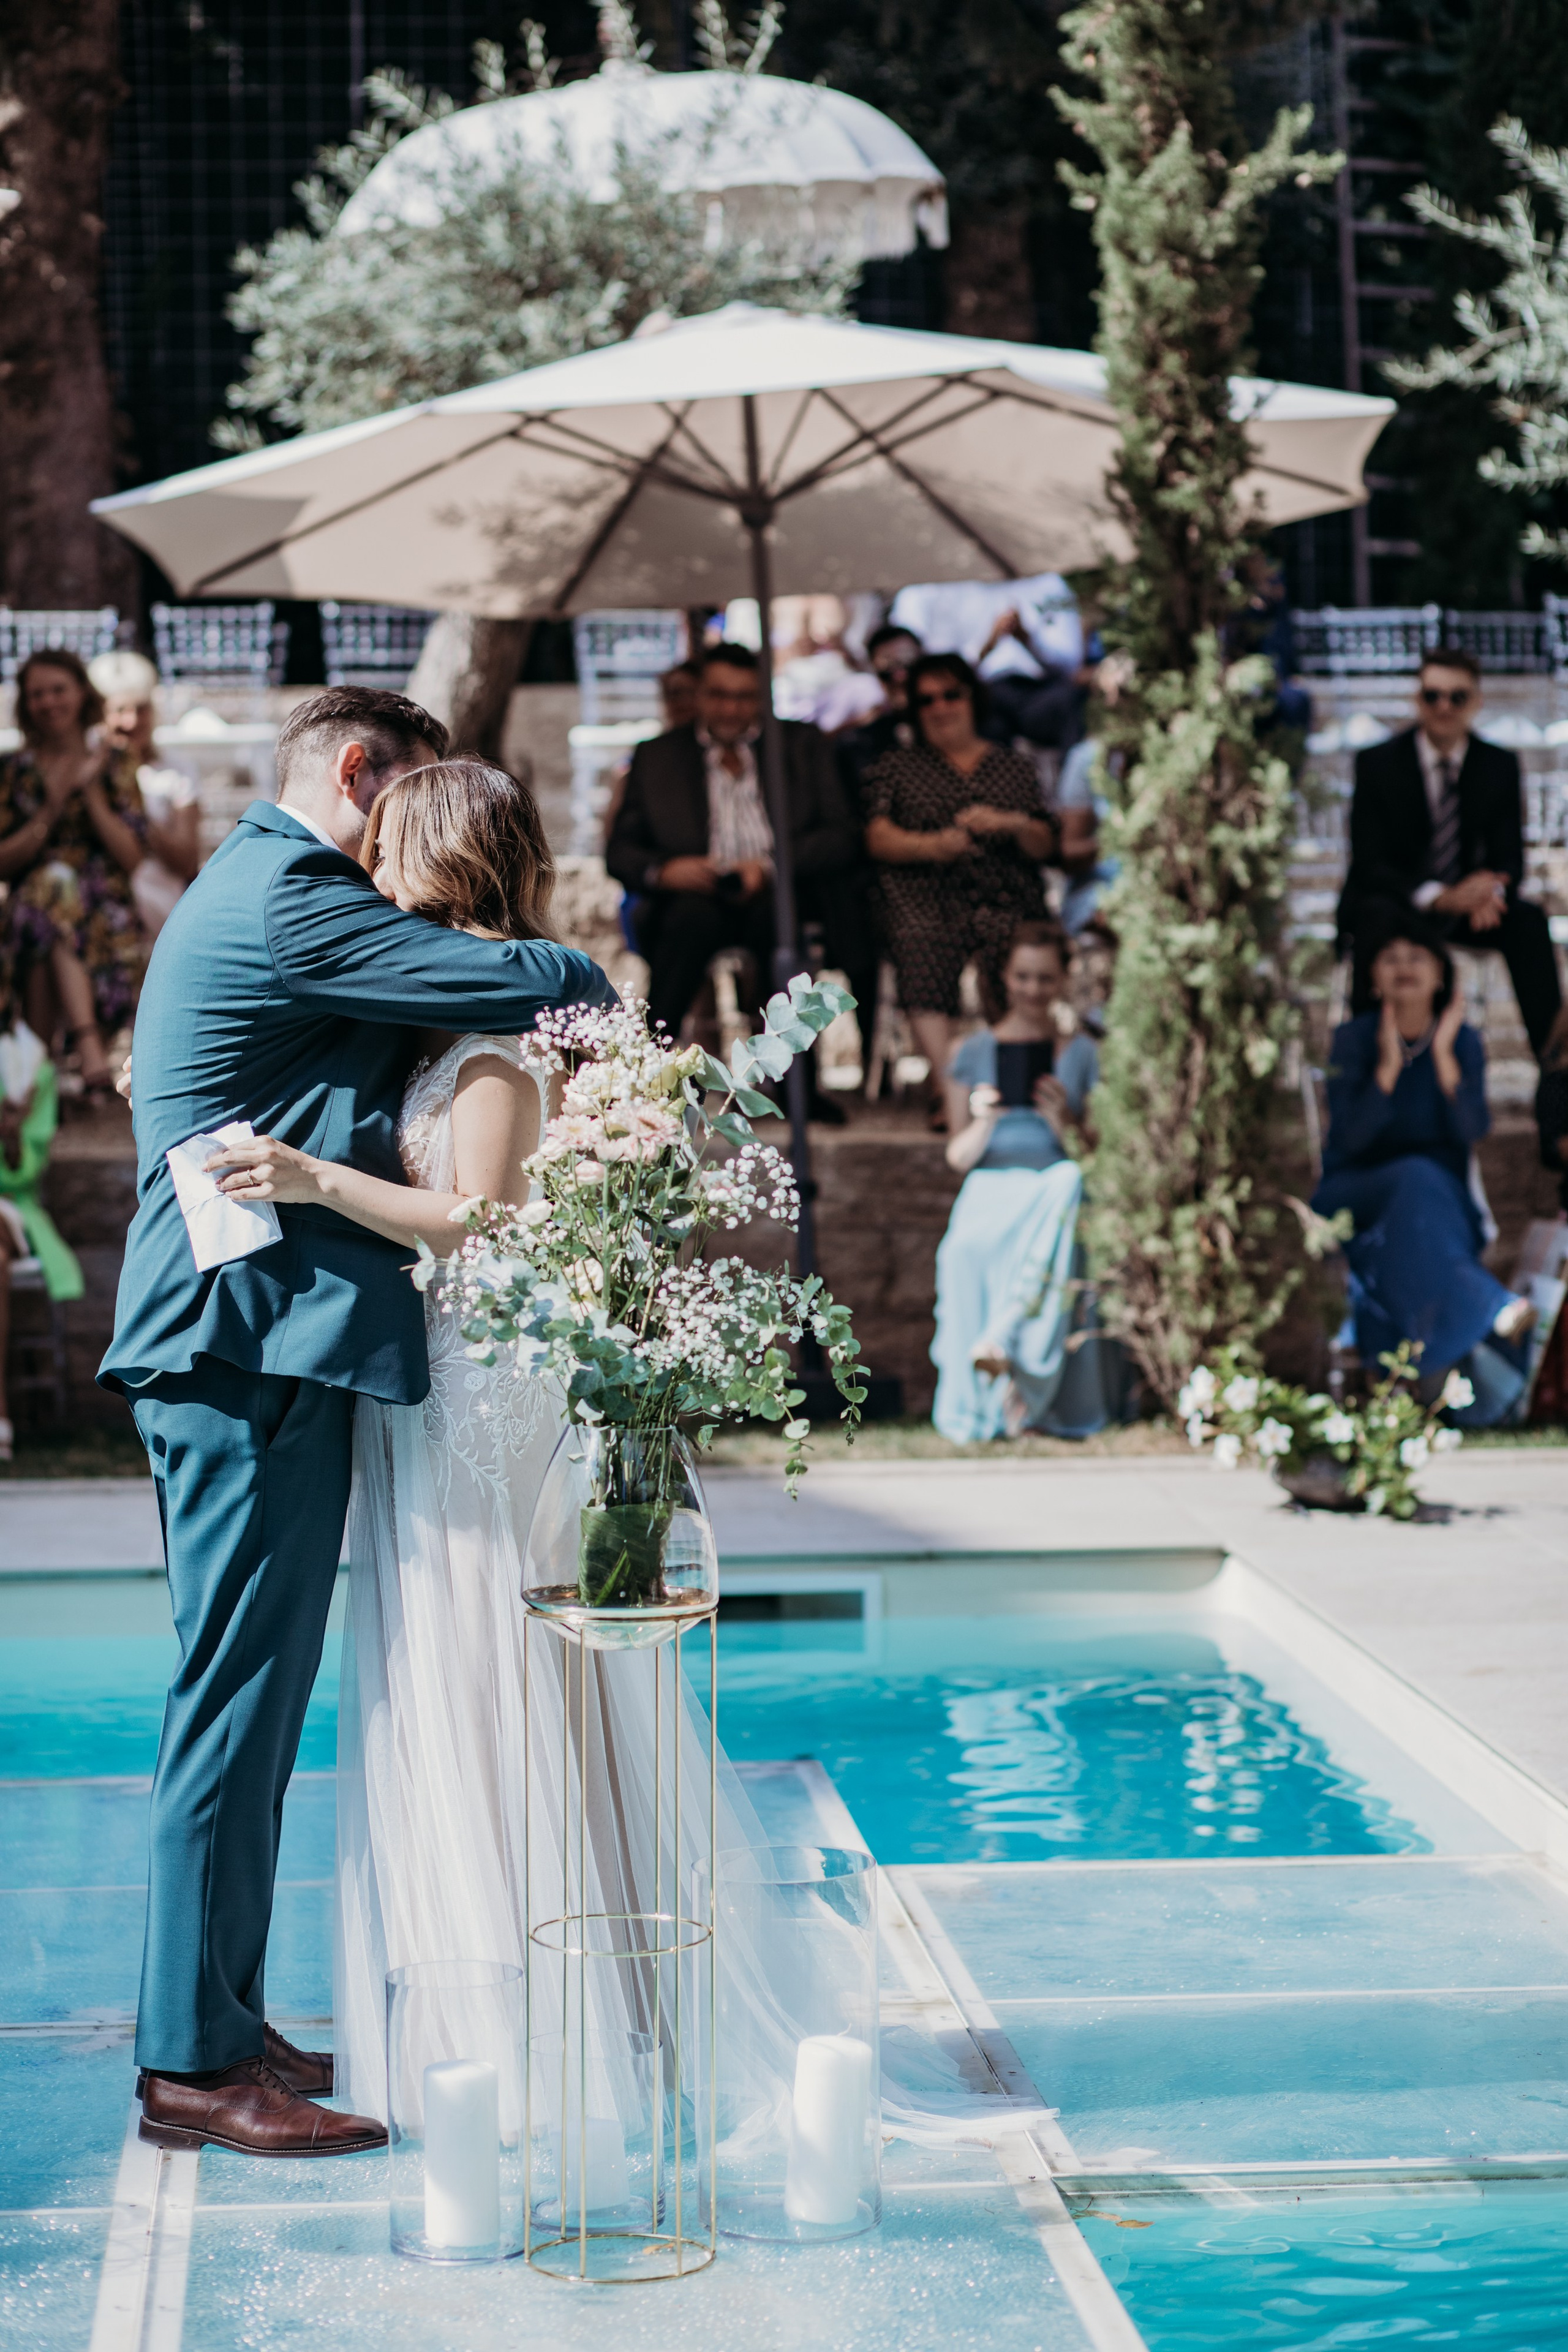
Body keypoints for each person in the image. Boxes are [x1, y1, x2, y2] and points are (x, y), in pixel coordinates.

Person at [101, 686, 612, 2162]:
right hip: (238, 1340)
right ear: (354, 772)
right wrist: (555, 941)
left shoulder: (255, 882)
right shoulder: (296, 890)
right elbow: (554, 977)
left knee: (249, 1708)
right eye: (404, 797)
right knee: (234, 1704)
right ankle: (194, 2070)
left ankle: (218, 2018)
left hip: (253, 1342)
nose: (399, 840)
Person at [1312, 908, 1534, 1422]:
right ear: (1373, 976)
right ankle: (1490, 1305)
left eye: (1417, 956)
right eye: (1390, 958)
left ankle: (1414, 1376)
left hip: (1438, 1202)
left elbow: (1472, 1130)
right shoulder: (1353, 1040)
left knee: (1423, 1194)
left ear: (1440, 974)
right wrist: (1388, 1068)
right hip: (1357, 1192)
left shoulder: (1464, 1041)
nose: (1404, 966)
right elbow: (1349, 1138)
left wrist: (1443, 1060)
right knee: (1414, 1178)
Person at [605, 641, 862, 1042]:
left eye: (744, 697)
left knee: (781, 929)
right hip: (694, 899)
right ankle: (656, 1069)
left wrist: (768, 867)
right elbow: (620, 852)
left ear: (763, 696)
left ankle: (797, 1086)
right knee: (685, 927)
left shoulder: (799, 746)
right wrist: (665, 871)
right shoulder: (659, 756)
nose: (731, 709)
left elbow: (841, 836)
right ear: (701, 695)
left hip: (780, 891)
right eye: (719, 695)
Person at [1336, 646, 1561, 1058]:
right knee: (1372, 917)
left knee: (1527, 922)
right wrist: (1439, 896)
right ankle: (1367, 1076)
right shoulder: (1377, 764)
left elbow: (1510, 857)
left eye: (1457, 697)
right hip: (1398, 903)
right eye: (1432, 696)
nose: (1444, 707)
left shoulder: (1499, 765)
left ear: (1475, 702)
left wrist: (1489, 891)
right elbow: (1369, 863)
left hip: (1470, 910)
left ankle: (1557, 1082)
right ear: (1417, 699)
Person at [863, 652, 1057, 1122]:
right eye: (926, 699)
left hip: (1005, 894)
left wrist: (1009, 823)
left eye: (951, 694)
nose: (939, 707)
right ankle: (947, 1085)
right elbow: (877, 836)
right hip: (927, 895)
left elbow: (1044, 841)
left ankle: (1016, 1079)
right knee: (921, 943)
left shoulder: (1012, 766)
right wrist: (932, 846)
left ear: (972, 698)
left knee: (1014, 947)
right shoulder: (898, 767)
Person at [930, 922, 1104, 1442]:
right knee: (963, 1248)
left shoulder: (1081, 1053)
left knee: (1070, 1179)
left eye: (1045, 979)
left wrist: (1063, 1122)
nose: (1033, 989)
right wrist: (985, 1119)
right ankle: (998, 1383)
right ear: (1005, 978)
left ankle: (1004, 1338)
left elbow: (1095, 1157)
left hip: (1056, 1188)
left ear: (1062, 981)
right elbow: (957, 1156)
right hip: (990, 1187)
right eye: (1023, 977)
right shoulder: (971, 1050)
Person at [0, 649, 148, 1092]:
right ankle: (87, 1049)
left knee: (47, 930)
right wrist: (55, 800)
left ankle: (39, 1077)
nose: (49, 702)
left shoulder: (115, 761)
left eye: (58, 690)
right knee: (51, 888)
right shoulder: (13, 769)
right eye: (37, 694)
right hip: (33, 899)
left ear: (82, 693)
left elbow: (132, 858)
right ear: (26, 704)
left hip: (104, 904)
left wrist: (92, 791)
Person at [0, 995, 86, 1462]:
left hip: (11, 1206)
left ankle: (1, 1412)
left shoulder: (34, 1071)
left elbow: (21, 1174)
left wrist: (10, 1131)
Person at [89, 649, 203, 937]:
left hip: (160, 900)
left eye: (141, 709)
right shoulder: (87, 769)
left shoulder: (177, 770)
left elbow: (187, 860)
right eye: (119, 711)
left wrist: (137, 814)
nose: (131, 721)